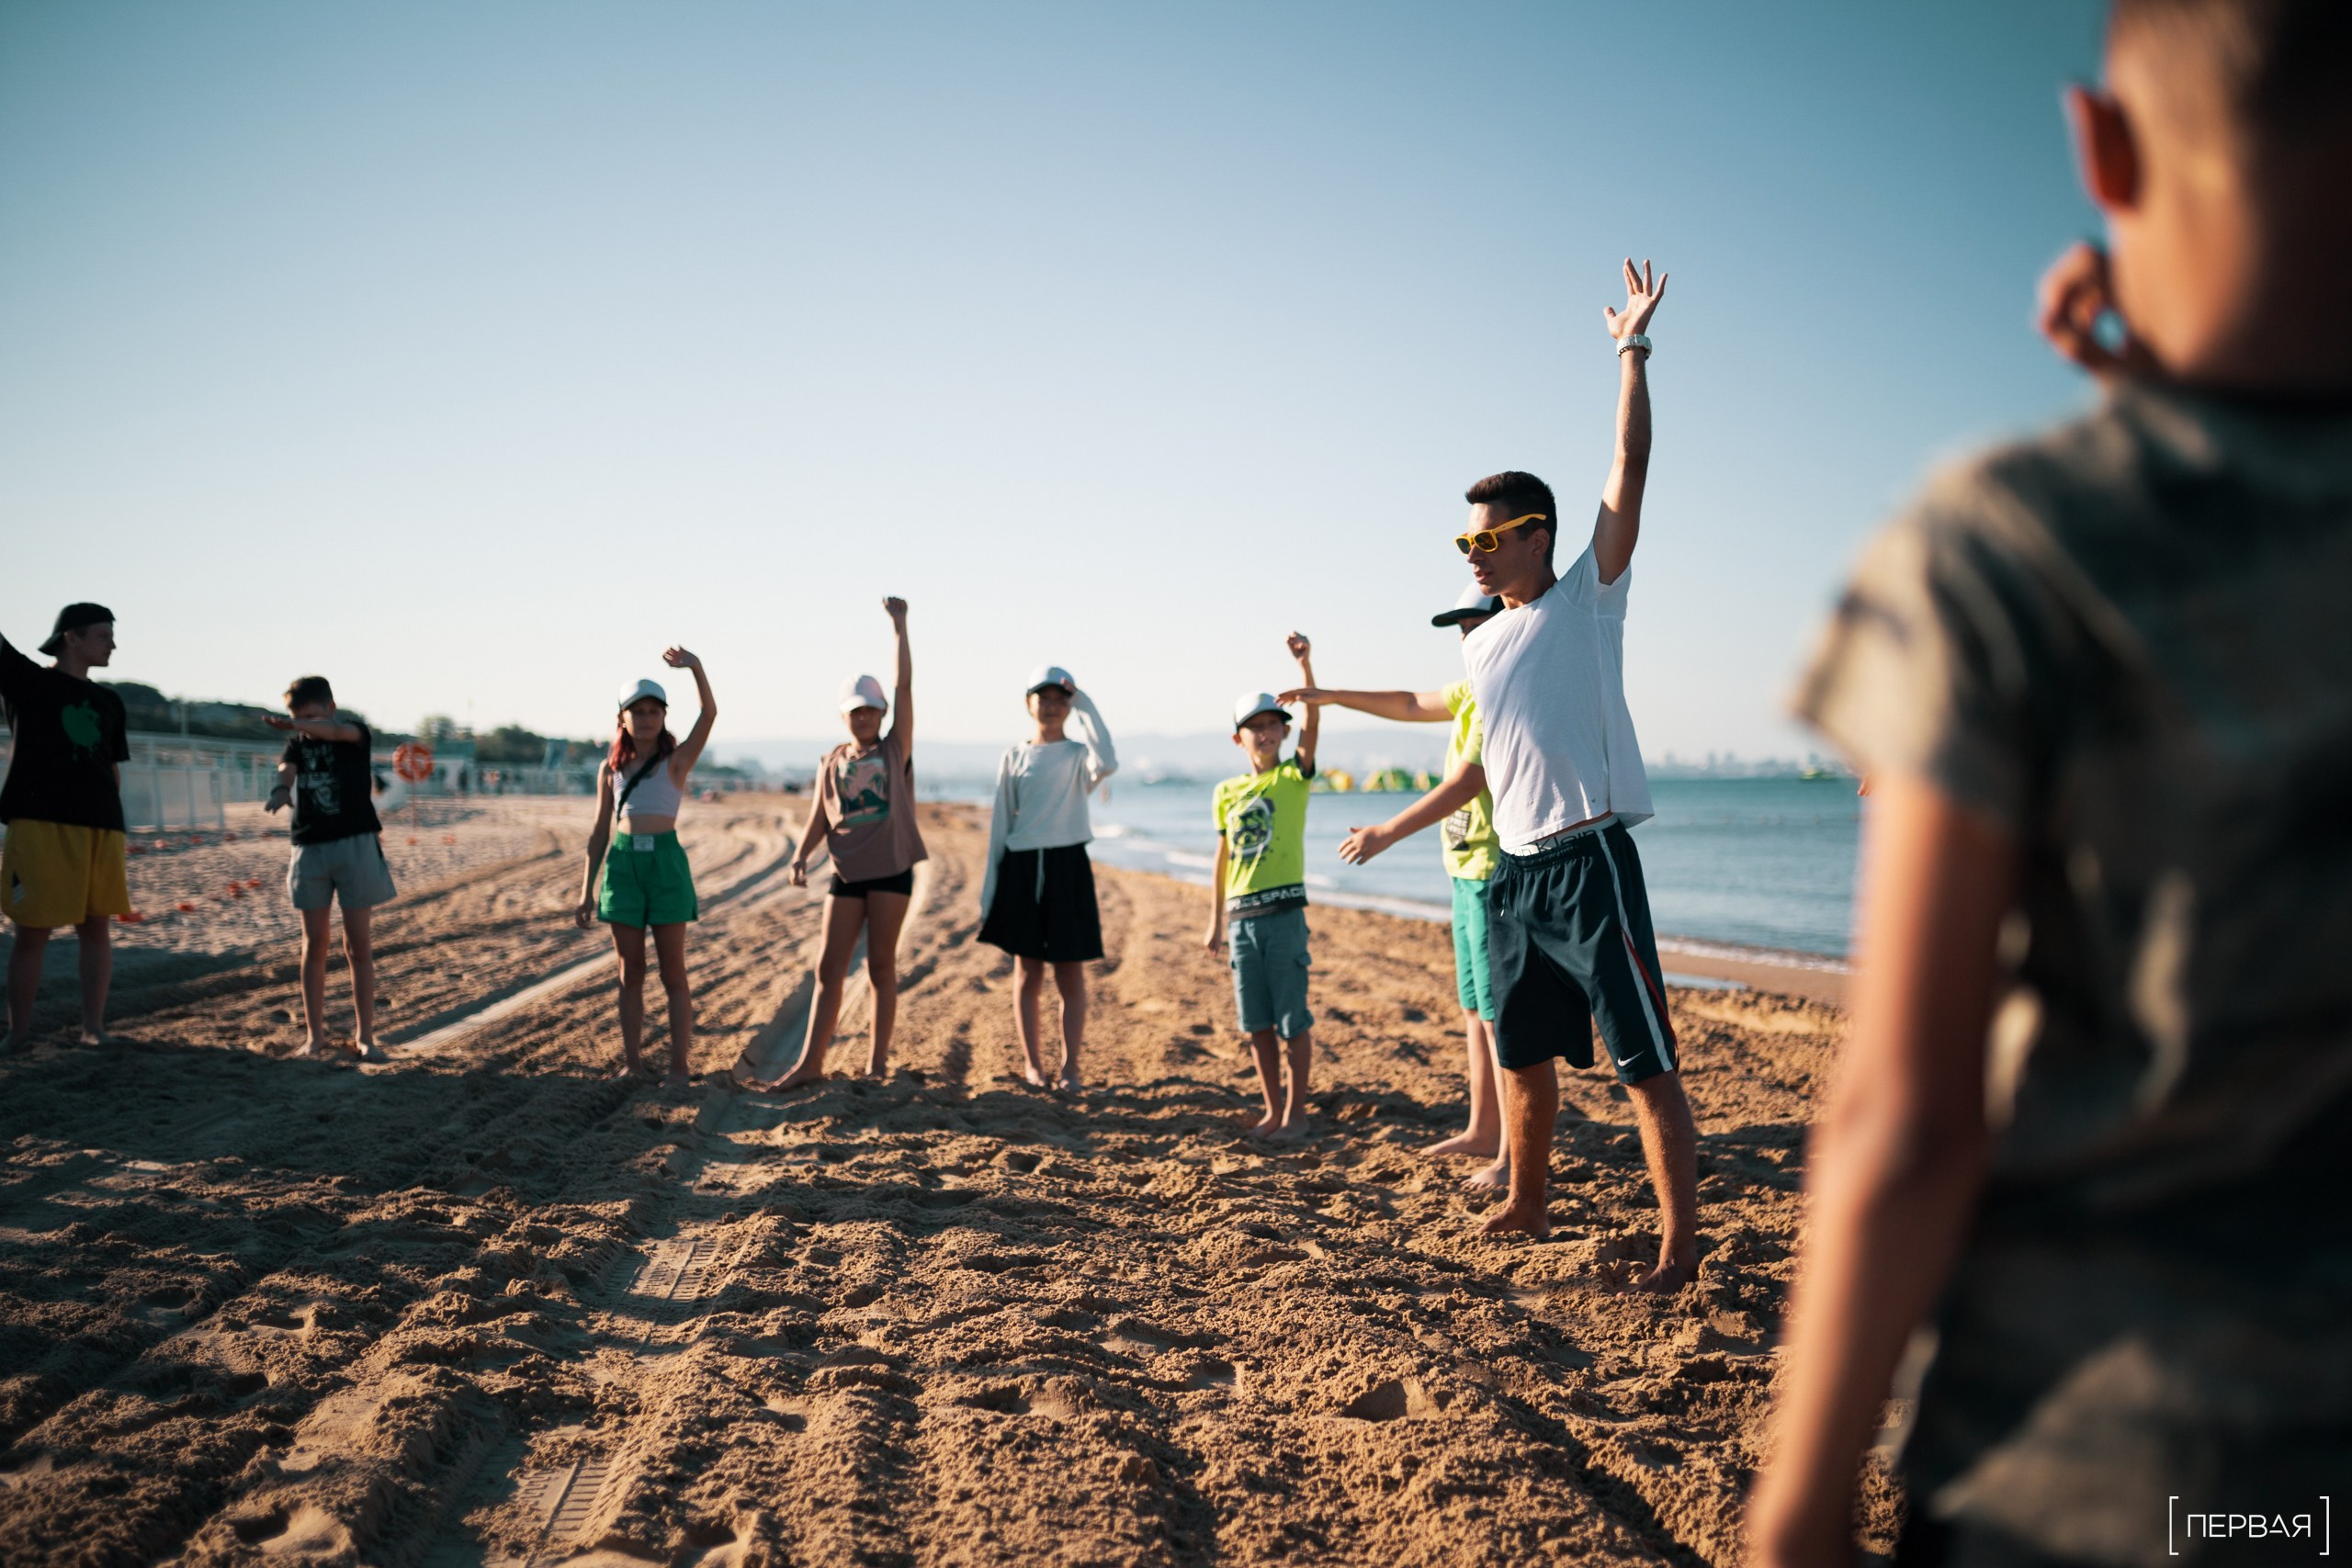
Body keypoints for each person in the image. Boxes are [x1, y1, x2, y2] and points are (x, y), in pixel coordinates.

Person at [1748, 4, 2352, 1563]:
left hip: (2106, 1478)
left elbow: (1907, 1117)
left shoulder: (2005, 556)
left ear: (2095, 143)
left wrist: (1802, 1507)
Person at [1450, 260, 1695, 1295]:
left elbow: (1627, 470)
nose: (1473, 552)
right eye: (1464, 539)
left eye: (1489, 537)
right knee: (1522, 1056)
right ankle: (1529, 1197)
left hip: (1591, 858)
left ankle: (1681, 1247)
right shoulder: (1477, 646)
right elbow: (1481, 762)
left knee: (1643, 1065)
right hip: (1514, 872)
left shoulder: (1585, 598)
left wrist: (1629, 352)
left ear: (1536, 536)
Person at [1280, 583, 1510, 1186]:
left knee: (1497, 1015)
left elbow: (1465, 782)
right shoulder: (1469, 691)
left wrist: (1386, 831)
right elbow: (1409, 701)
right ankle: (1482, 1129)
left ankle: (1510, 1153)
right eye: (1461, 628)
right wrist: (1326, 693)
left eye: (1476, 625)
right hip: (1464, 874)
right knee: (1471, 1009)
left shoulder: (1504, 695)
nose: (1468, 637)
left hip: (1493, 874)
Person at [759, 597, 924, 1091]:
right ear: (844, 715)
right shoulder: (831, 759)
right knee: (827, 967)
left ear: (883, 713)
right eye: (856, 711)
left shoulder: (896, 748)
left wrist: (900, 627)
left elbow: (906, 686)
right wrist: (799, 855)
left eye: (872, 710)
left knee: (879, 966)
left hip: (892, 870)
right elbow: (818, 815)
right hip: (847, 872)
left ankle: (876, 1067)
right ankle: (811, 1063)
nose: (864, 717)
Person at [573, 649, 718, 1088]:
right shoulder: (610, 768)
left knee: (673, 971)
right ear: (622, 718)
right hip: (621, 865)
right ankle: (632, 1063)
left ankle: (678, 1068)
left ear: (664, 717)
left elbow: (709, 713)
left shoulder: (677, 761)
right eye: (638, 711)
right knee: (628, 972)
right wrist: (586, 889)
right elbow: (600, 831)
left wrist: (695, 668)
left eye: (655, 711)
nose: (647, 718)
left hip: (666, 863)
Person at [1203, 634, 1320, 1142]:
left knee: (1293, 1020)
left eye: (1272, 724)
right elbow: (1223, 858)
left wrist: (1306, 668)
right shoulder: (1226, 792)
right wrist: (1214, 921)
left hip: (1285, 915)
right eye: (1254, 727)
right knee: (1256, 1025)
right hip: (1241, 920)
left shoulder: (1293, 777)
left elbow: (1314, 724)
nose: (1265, 732)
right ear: (1238, 739)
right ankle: (1272, 1111)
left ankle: (1296, 1115)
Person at [978, 664, 1117, 1091]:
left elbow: (1108, 760)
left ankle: (1071, 1067)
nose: (1052, 706)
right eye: (1044, 698)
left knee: (1070, 974)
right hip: (1021, 866)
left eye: (1061, 698)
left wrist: (1087, 702)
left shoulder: (1079, 756)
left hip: (1068, 865)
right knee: (1027, 975)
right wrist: (990, 894)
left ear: (1070, 705)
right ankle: (1034, 1065)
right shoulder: (1014, 756)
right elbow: (1001, 824)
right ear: (1028, 704)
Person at [0, 604, 130, 1055]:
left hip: (102, 826)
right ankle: (19, 1032)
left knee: (96, 927)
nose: (112, 643)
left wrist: (117, 825)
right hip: (40, 822)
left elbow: (111, 769)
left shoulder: (110, 701)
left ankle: (93, 1027)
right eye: (102, 635)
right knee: (32, 931)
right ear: (70, 638)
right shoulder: (30, 682)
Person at [264, 676, 394, 1061]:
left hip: (355, 842)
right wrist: (280, 789)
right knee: (314, 944)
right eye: (296, 716)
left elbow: (336, 731)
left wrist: (297, 725)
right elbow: (287, 767)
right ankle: (314, 1038)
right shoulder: (297, 741)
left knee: (358, 945)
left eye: (310, 715)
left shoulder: (355, 733)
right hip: (309, 846)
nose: (302, 723)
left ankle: (366, 1036)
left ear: (330, 706)